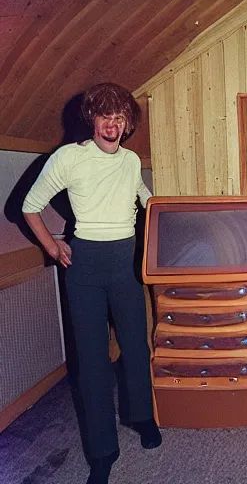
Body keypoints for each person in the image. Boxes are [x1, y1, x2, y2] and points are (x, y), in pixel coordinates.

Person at [22, 83, 161, 484]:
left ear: (127, 123)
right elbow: (30, 206)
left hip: (124, 265)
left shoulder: (132, 161)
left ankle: (141, 418)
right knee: (93, 361)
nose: (112, 125)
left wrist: (168, 216)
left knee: (136, 346)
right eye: (105, 117)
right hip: (84, 268)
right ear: (92, 120)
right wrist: (53, 248)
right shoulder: (69, 157)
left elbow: (144, 199)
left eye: (119, 118)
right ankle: (102, 451)